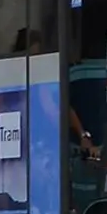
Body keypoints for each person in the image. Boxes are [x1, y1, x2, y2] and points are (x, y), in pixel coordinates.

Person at [14, 28, 99, 159]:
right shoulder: (14, 87)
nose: (38, 63)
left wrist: (83, 136)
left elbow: (63, 108)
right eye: (33, 58)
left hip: (51, 149)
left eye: (40, 57)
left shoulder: (47, 82)